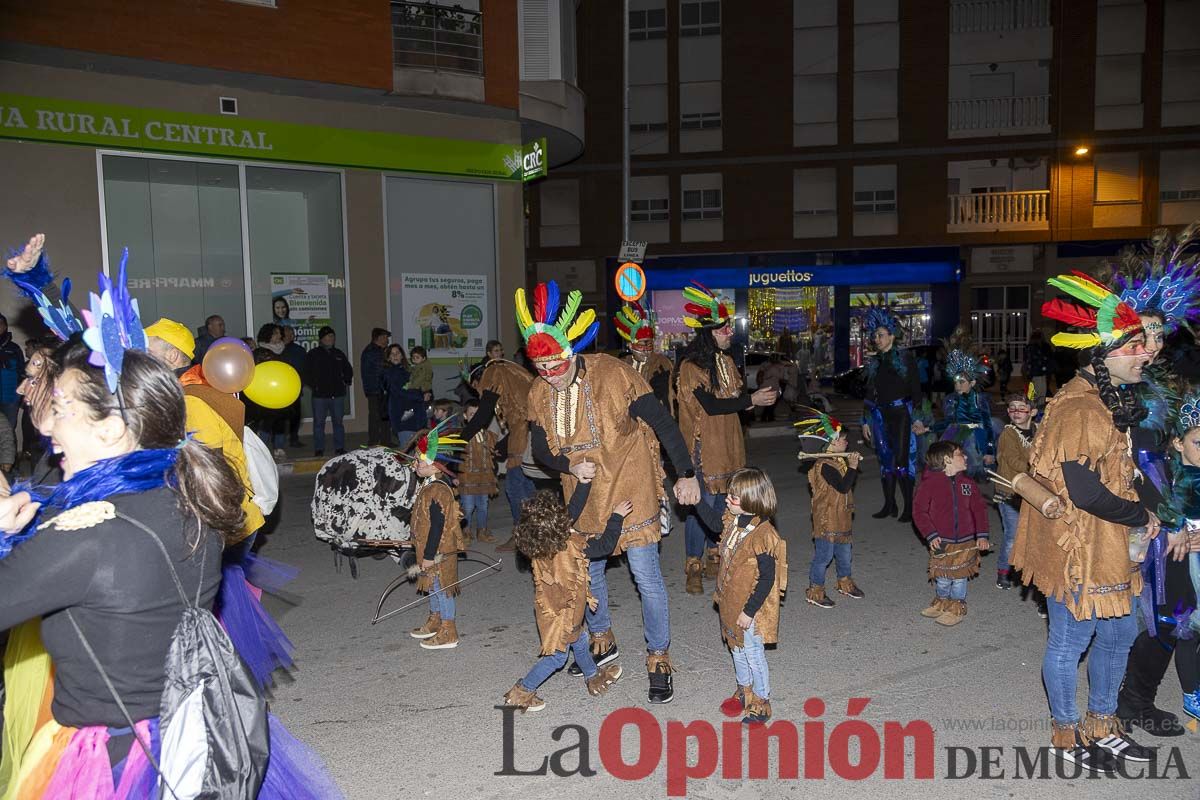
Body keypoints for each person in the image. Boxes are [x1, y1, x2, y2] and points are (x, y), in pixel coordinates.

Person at [0, 317, 342, 796]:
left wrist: (4, 537)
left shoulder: (84, 535)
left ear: (112, 428)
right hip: (189, 733)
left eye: (62, 407)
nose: (49, 423)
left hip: (114, 758)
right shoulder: (186, 501)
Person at [518, 280, 700, 704]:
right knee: (589, 572)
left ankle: (658, 656)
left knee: (646, 576)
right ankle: (602, 636)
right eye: (541, 370)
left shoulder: (614, 375)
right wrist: (568, 465)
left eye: (556, 367)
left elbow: (664, 424)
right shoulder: (540, 392)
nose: (550, 377)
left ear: (571, 353)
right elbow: (542, 449)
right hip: (582, 492)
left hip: (631, 483)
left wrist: (686, 473)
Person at [1011, 272, 1158, 772]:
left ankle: (1102, 723)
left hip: (1109, 542)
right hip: (1077, 545)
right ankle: (1066, 729)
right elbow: (1086, 492)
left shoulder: (1105, 400)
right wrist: (1141, 514)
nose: (1146, 355)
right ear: (1103, 355)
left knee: (1117, 635)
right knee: (1071, 640)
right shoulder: (1080, 407)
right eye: (1135, 347)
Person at [1107, 223, 1200, 737]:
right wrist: (1162, 520)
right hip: (1136, 507)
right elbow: (1122, 459)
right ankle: (1124, 701)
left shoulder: (1164, 382)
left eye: (1160, 333)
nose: (1154, 343)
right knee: (1150, 614)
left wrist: (1184, 514)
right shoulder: (1115, 385)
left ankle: (1131, 699)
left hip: (1168, 501)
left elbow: (1183, 453)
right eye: (1143, 333)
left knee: (1172, 614)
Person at [676, 283, 776, 595]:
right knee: (700, 506)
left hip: (729, 445)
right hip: (704, 448)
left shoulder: (728, 361)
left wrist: (754, 399)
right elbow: (710, 404)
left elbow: (732, 400)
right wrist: (751, 400)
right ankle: (693, 563)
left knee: (724, 504)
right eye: (723, 328)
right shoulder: (691, 367)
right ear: (708, 333)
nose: (729, 332)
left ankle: (714, 554)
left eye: (729, 327)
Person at [503, 487, 627, 711]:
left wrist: (583, 483)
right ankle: (522, 692)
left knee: (580, 641)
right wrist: (616, 517)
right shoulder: (569, 548)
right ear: (557, 526)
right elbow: (605, 546)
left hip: (552, 611)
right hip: (563, 616)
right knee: (557, 659)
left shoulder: (542, 545)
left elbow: (571, 511)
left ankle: (592, 677)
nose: (566, 517)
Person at [692, 467, 786, 724]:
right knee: (736, 649)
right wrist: (697, 499)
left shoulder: (764, 535)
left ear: (752, 500)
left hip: (750, 609)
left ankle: (762, 698)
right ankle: (744, 690)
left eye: (733, 497)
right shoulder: (733, 521)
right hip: (731, 601)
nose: (727, 500)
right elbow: (713, 523)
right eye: (729, 495)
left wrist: (749, 611)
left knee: (754, 654)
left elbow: (768, 579)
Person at [458, 356, 536, 548]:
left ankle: (521, 537)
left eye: (476, 387)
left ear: (477, 380)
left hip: (525, 435)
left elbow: (482, 414)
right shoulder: (507, 371)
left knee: (514, 487)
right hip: (530, 431)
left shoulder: (493, 373)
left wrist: (457, 441)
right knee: (527, 487)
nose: (479, 390)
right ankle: (535, 532)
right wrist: (502, 447)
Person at [405, 422, 468, 651]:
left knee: (442, 588)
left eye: (420, 461)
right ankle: (436, 620)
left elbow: (438, 526)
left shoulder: (438, 490)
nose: (415, 464)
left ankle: (449, 630)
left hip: (438, 550)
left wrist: (430, 555)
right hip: (429, 549)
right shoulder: (429, 485)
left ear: (434, 467)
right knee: (432, 585)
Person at [913, 442, 989, 627]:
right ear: (947, 460)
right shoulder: (930, 484)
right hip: (941, 541)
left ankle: (957, 606)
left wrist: (982, 535)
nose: (965, 457)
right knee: (943, 577)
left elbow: (979, 510)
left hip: (965, 541)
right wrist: (930, 534)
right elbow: (918, 511)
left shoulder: (968, 484)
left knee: (959, 577)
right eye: (960, 454)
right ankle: (942, 601)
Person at [860, 300, 923, 523]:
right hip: (880, 416)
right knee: (885, 461)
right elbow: (869, 395)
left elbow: (917, 391)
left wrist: (917, 418)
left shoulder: (905, 358)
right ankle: (889, 504)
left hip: (901, 414)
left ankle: (909, 508)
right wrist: (865, 421)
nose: (877, 339)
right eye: (875, 336)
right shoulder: (875, 362)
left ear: (892, 336)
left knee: (902, 461)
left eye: (881, 335)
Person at [795, 410, 863, 609]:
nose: (846, 442)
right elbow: (843, 486)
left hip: (841, 516)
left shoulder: (836, 461)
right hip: (826, 518)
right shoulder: (825, 465)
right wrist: (852, 467)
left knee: (844, 553)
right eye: (842, 440)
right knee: (824, 556)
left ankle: (844, 582)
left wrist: (849, 464)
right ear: (830, 444)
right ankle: (815, 590)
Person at [917, 347, 995, 480]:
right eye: (955, 382)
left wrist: (989, 452)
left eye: (962, 382)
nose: (957, 385)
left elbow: (988, 426)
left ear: (972, 383)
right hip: (954, 435)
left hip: (975, 438)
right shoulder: (951, 400)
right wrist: (927, 428)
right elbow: (949, 422)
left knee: (968, 473)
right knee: (945, 466)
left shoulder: (979, 400)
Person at [994, 389, 1038, 590]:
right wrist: (1038, 467)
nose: (1016, 412)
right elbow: (1013, 460)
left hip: (1033, 493)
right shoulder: (1008, 433)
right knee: (1013, 535)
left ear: (1032, 412)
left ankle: (1030, 571)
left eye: (1022, 408)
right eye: (1012, 409)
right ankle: (1004, 571)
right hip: (1009, 492)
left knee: (1034, 535)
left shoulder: (1040, 431)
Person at [304, 325, 353, 457]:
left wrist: (346, 380)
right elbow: (306, 373)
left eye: (332, 336)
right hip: (319, 396)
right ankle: (319, 449)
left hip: (337, 395)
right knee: (319, 423)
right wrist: (315, 386)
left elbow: (348, 370)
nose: (331, 338)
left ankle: (340, 448)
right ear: (321, 339)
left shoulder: (339, 353)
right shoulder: (313, 354)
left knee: (338, 423)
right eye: (328, 336)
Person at [614, 301, 673, 408]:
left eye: (649, 344)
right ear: (630, 346)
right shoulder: (622, 365)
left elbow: (661, 394)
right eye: (641, 345)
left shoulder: (661, 363)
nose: (646, 350)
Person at [458, 398, 498, 544]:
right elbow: (455, 457)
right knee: (467, 507)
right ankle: (465, 531)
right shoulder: (462, 435)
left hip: (484, 477)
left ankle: (482, 530)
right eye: (471, 414)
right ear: (465, 416)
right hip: (467, 477)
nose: (474, 417)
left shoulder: (488, 436)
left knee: (483, 505)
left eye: (477, 414)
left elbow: (494, 454)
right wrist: (455, 476)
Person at [249, 323, 287, 460]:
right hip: (265, 392)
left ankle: (279, 446)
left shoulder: (283, 351)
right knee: (267, 422)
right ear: (268, 335)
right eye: (275, 333)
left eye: (279, 333)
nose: (279, 336)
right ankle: (261, 447)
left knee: (280, 420)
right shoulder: (260, 352)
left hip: (281, 392)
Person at [381, 343, 426, 452]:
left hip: (416, 414)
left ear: (402, 355)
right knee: (408, 452)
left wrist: (426, 392)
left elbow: (419, 385)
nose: (395, 355)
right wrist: (420, 396)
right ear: (388, 358)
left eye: (397, 353)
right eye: (392, 354)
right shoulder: (389, 373)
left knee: (418, 452)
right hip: (403, 416)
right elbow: (401, 392)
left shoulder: (409, 370)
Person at [360, 327, 391, 447]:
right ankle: (374, 441)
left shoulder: (377, 350)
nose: (387, 340)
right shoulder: (373, 352)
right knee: (376, 416)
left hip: (378, 388)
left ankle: (385, 441)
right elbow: (382, 369)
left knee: (383, 415)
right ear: (378, 338)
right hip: (376, 389)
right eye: (385, 337)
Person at [279, 325, 306, 447]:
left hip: (295, 389)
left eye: (291, 334)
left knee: (295, 416)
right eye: (285, 334)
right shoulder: (277, 349)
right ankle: (279, 441)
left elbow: (304, 368)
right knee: (280, 417)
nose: (288, 336)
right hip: (279, 390)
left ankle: (294, 438)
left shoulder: (299, 350)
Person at [0, 312, 25, 429]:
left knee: (8, 430)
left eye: (0, 324)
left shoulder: (14, 348)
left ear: (5, 326)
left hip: (10, 398)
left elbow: (22, 371)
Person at [1025, 330, 1051, 399]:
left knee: (1040, 389)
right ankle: (1037, 405)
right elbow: (1030, 359)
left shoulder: (1044, 346)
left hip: (1039, 371)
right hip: (1037, 371)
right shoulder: (1033, 347)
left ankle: (1038, 405)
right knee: (1039, 389)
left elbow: (1027, 360)